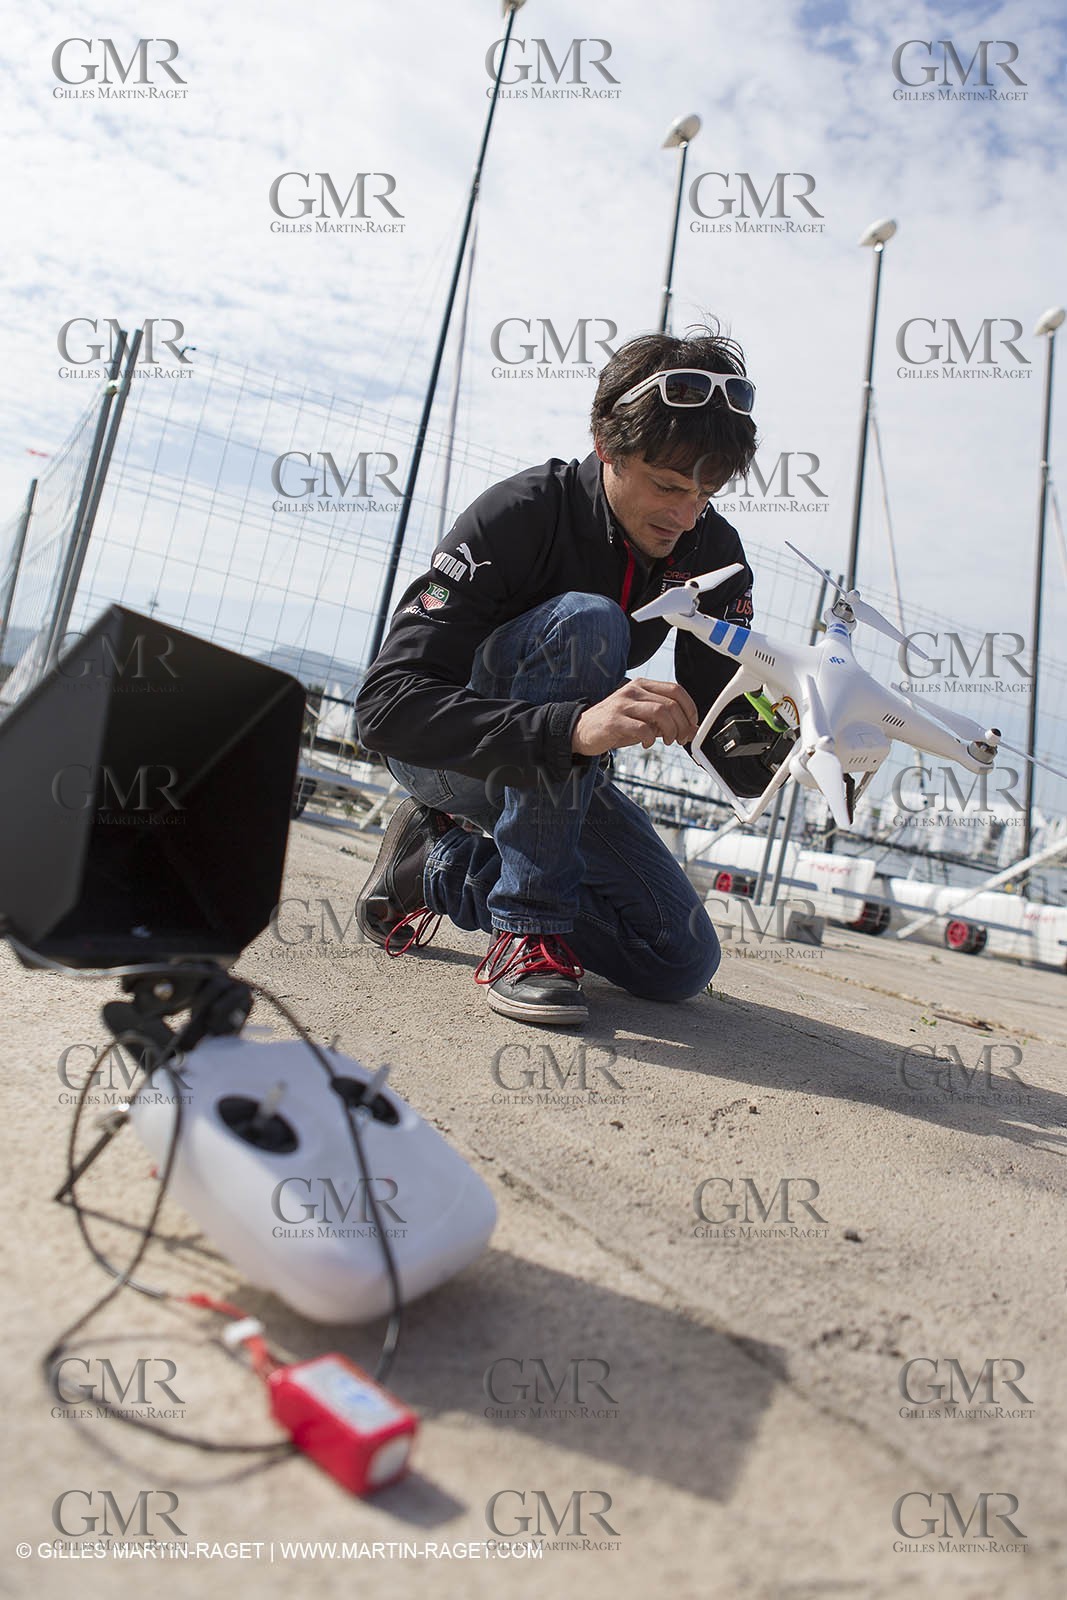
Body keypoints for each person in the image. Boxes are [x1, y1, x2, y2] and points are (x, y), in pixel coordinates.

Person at [355, 326, 783, 1026]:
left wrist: (812, 721)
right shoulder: (519, 514)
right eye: (668, 486)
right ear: (606, 444)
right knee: (589, 621)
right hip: (444, 755)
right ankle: (529, 929)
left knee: (677, 959)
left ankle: (434, 865)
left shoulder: (711, 548)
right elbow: (382, 711)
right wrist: (569, 729)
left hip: (560, 770)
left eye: (707, 491)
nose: (686, 514)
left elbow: (716, 719)